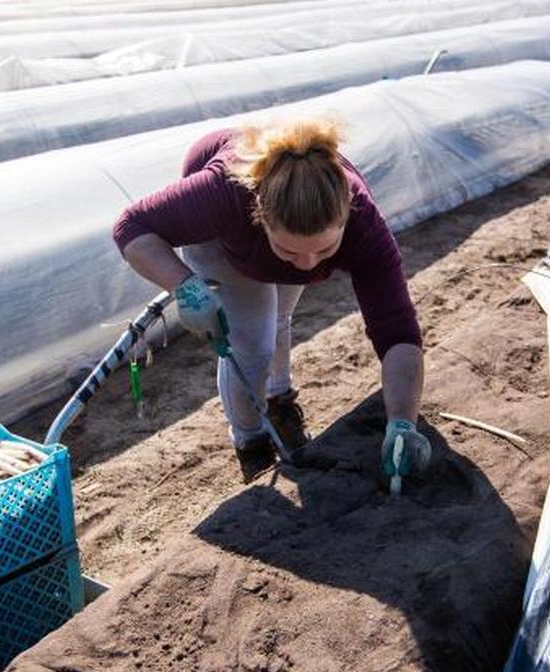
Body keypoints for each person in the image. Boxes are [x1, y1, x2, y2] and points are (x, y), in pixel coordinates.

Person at [113, 120, 431, 484]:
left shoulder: (365, 225)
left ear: (345, 216)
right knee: (252, 344)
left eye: (325, 249)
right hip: (227, 240)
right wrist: (186, 288)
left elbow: (397, 331)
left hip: (271, 235)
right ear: (261, 216)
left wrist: (402, 422)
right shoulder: (224, 194)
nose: (307, 265)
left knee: (279, 317)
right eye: (289, 249)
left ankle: (279, 404)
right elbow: (131, 227)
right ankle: (251, 443)